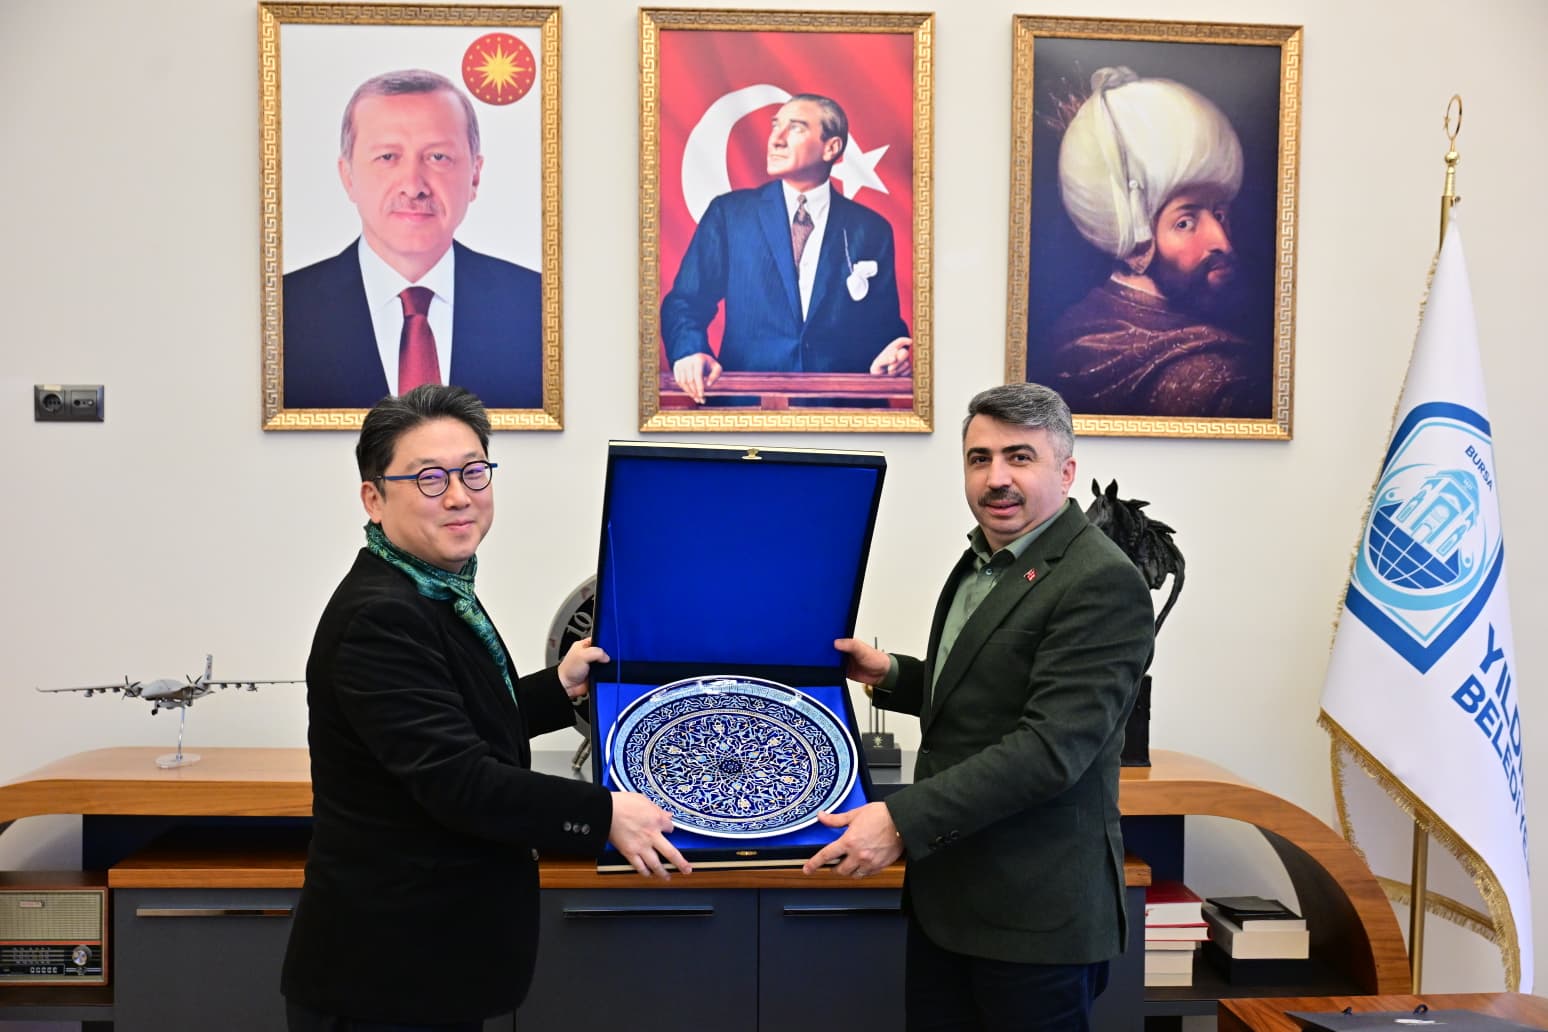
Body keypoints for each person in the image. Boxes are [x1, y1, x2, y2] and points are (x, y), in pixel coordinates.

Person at [281, 385, 689, 1030]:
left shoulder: (432, 589)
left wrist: (557, 687)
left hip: (430, 971)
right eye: (429, 478)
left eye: (473, 472)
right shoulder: (381, 615)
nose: (459, 495)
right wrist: (604, 812)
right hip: (385, 981)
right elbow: (458, 781)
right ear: (373, 498)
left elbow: (459, 721)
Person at [803, 382, 1155, 1031]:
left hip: (1034, 921)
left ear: (1066, 471)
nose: (996, 478)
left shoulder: (1100, 580)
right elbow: (986, 691)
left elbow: (1049, 750)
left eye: (1020, 457)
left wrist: (900, 821)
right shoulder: (984, 560)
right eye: (979, 458)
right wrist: (893, 675)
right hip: (949, 903)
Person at [283, 70, 544, 412]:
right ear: (348, 177)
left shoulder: (537, 305)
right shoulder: (285, 311)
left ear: (475, 176)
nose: (413, 185)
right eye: (387, 157)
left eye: (438, 157)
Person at [1046, 66, 1272, 419]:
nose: (1222, 242)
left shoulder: (1072, 327)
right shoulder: (1219, 384)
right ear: (1136, 243)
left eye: (1220, 213)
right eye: (1185, 223)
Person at [661, 93, 913, 403]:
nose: (776, 140)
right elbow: (685, 302)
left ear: (831, 147)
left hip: (840, 412)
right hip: (746, 409)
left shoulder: (871, 228)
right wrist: (689, 351)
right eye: (775, 126)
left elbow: (884, 327)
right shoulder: (730, 215)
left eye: (795, 128)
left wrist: (893, 354)